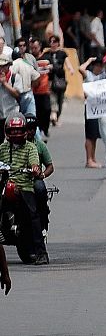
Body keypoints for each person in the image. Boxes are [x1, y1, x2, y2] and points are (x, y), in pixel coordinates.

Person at [0, 113, 47, 265]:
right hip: (4, 186)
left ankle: (41, 253)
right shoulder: (2, 147)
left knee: (33, 215)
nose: (15, 133)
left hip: (24, 187)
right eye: (12, 131)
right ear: (7, 131)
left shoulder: (31, 147)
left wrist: (34, 168)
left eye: (18, 130)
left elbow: (34, 161)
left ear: (24, 131)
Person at [25, 114, 54, 235]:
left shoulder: (40, 146)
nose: (30, 131)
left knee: (40, 188)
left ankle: (43, 213)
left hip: (34, 178)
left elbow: (50, 166)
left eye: (32, 128)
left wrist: (41, 175)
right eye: (27, 128)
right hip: (17, 178)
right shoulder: (11, 146)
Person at [43, 35, 74, 126]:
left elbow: (67, 62)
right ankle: (53, 115)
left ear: (58, 43)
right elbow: (41, 64)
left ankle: (57, 115)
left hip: (61, 79)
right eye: (51, 42)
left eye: (55, 42)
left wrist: (70, 69)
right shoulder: (46, 54)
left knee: (60, 99)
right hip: (50, 80)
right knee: (52, 98)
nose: (53, 44)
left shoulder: (62, 53)